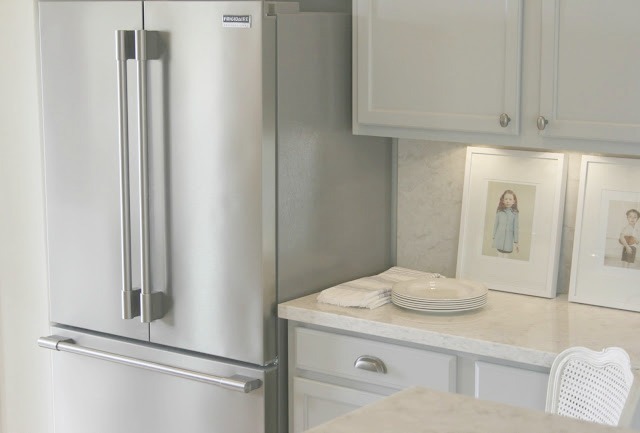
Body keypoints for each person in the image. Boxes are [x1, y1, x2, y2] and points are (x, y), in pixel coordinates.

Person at [492, 190, 519, 258]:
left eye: (510, 199)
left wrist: (516, 242)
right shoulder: (499, 211)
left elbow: (516, 228)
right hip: (499, 238)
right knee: (499, 256)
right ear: (503, 200)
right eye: (506, 199)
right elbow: (496, 224)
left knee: (506, 258)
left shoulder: (515, 213)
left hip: (508, 240)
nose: (508, 201)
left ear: (514, 201)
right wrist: (494, 236)